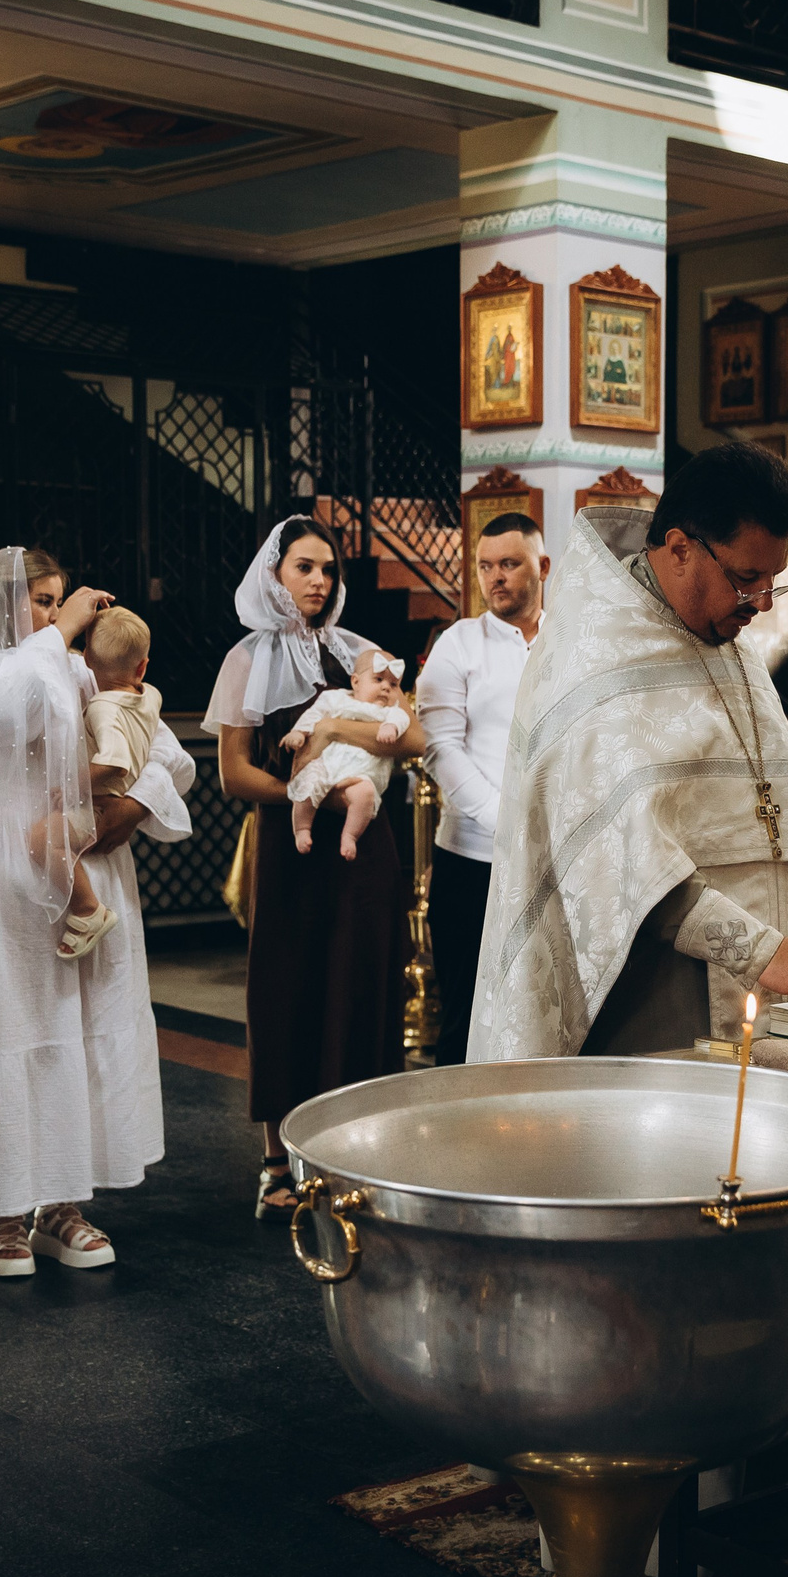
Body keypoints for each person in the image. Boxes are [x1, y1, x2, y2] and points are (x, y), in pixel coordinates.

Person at [469, 439, 788, 1062]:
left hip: (772, 975)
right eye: (746, 579)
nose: (761, 603)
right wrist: (762, 951)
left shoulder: (719, 630)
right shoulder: (591, 656)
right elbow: (621, 865)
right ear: (680, 548)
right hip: (658, 988)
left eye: (774, 579)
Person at [0, 547, 195, 1274]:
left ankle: (59, 1206)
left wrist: (125, 807)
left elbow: (158, 746)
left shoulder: (65, 666)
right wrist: (59, 632)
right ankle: (2, 1214)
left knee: (72, 1028)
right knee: (5, 1023)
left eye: (60, 599)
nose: (56, 613)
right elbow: (11, 711)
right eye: (40, 600)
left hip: (75, 863)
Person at [207, 519, 418, 1214]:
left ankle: (358, 1153)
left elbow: (411, 735)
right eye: (304, 566)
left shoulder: (360, 651)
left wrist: (331, 730)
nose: (319, 580)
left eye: (328, 568)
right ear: (274, 574)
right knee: (286, 987)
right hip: (291, 844)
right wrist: (312, 795)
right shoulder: (246, 659)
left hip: (365, 850)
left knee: (361, 982)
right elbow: (235, 773)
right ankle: (277, 1162)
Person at [419, 515, 548, 1066]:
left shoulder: (572, 642)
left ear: (542, 567)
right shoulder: (459, 644)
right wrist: (506, 821)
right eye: (486, 566)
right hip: (471, 863)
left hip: (554, 858)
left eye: (510, 564)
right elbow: (438, 749)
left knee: (544, 1013)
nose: (496, 578)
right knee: (467, 1019)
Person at [53, 605, 161, 962]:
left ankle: (87, 910)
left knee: (44, 840)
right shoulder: (151, 696)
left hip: (100, 806)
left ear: (85, 659)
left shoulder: (103, 706)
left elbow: (115, 761)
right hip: (117, 799)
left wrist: (72, 784)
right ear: (142, 667)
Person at [282, 648, 409, 859]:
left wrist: (391, 728)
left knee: (365, 794)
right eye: (378, 680)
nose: (386, 688)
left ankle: (350, 835)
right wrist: (298, 732)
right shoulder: (336, 699)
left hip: (362, 772)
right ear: (356, 682)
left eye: (393, 684)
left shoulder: (391, 711)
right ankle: (302, 828)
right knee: (308, 783)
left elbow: (402, 720)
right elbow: (314, 714)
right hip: (327, 762)